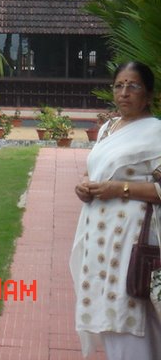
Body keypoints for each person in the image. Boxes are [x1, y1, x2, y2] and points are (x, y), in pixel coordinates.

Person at [71, 61, 161, 358]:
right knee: (105, 312)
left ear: (148, 95)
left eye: (133, 86)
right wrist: (85, 186)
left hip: (132, 239)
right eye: (119, 85)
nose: (124, 92)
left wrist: (118, 189)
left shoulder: (156, 132)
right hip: (99, 235)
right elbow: (97, 172)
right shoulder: (109, 128)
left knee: (129, 311)